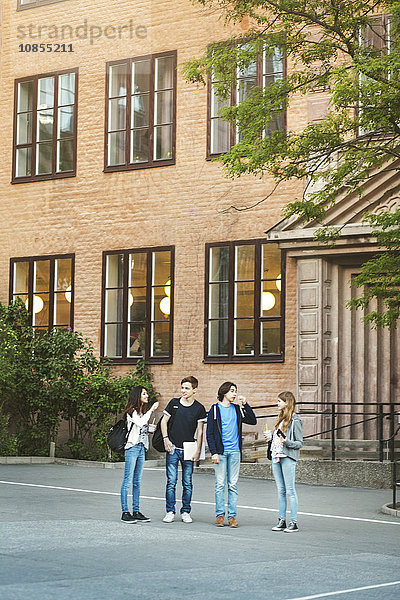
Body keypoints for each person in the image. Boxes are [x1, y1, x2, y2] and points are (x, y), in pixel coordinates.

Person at [206, 381, 257, 528]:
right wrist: (214, 452)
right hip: (221, 453)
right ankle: (220, 515)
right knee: (220, 484)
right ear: (224, 392)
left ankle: (232, 516)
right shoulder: (215, 410)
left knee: (233, 485)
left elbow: (253, 421)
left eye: (235, 391)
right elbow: (210, 434)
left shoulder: (237, 409)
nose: (235, 394)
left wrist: (246, 404)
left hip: (235, 452)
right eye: (232, 391)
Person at [161, 376, 207, 523]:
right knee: (171, 482)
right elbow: (163, 421)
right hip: (173, 447)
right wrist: (165, 439)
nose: (183, 391)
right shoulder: (174, 403)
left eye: (187, 388)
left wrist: (198, 450)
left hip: (189, 448)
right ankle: (170, 511)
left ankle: (186, 511)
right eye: (182, 387)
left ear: (195, 390)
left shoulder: (199, 408)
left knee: (187, 482)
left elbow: (200, 431)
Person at [264, 391, 303, 533]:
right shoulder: (280, 419)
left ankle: (293, 522)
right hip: (276, 456)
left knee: (290, 490)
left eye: (279, 401)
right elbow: (277, 439)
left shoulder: (295, 420)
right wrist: (271, 437)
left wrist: (286, 441)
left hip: (287, 457)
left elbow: (299, 443)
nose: (277, 403)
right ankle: (281, 520)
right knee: (281, 490)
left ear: (287, 402)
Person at [120, 386, 159, 523]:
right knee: (127, 481)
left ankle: (136, 511)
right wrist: (152, 410)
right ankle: (125, 512)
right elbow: (140, 422)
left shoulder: (142, 412)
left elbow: (142, 427)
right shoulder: (132, 412)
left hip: (142, 448)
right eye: (144, 393)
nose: (147, 395)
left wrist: (150, 429)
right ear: (138, 396)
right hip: (132, 448)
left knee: (137, 482)